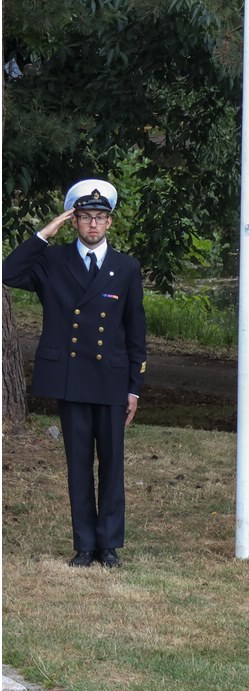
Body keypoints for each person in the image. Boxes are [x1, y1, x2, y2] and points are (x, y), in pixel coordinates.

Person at [3, 179, 147, 568]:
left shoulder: (126, 267)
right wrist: (44, 233)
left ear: (110, 223)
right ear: (74, 221)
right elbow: (8, 272)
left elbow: (136, 332)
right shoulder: (52, 261)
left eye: (100, 218)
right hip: (71, 376)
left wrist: (134, 387)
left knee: (112, 464)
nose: (93, 225)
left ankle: (110, 545)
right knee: (79, 462)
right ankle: (84, 544)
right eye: (85, 218)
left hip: (112, 379)